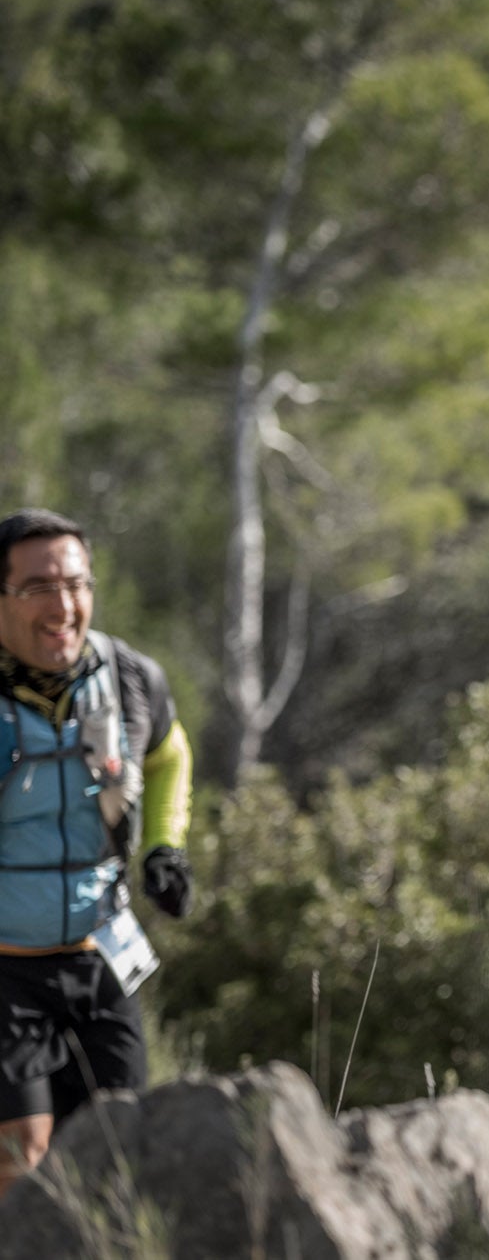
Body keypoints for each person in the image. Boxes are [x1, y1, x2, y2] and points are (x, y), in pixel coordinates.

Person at [0, 508, 194, 1197]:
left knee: (119, 1148)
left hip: (98, 952)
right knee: (24, 1152)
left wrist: (166, 847)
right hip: (6, 967)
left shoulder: (129, 675)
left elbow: (169, 752)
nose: (64, 604)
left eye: (77, 583)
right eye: (38, 587)